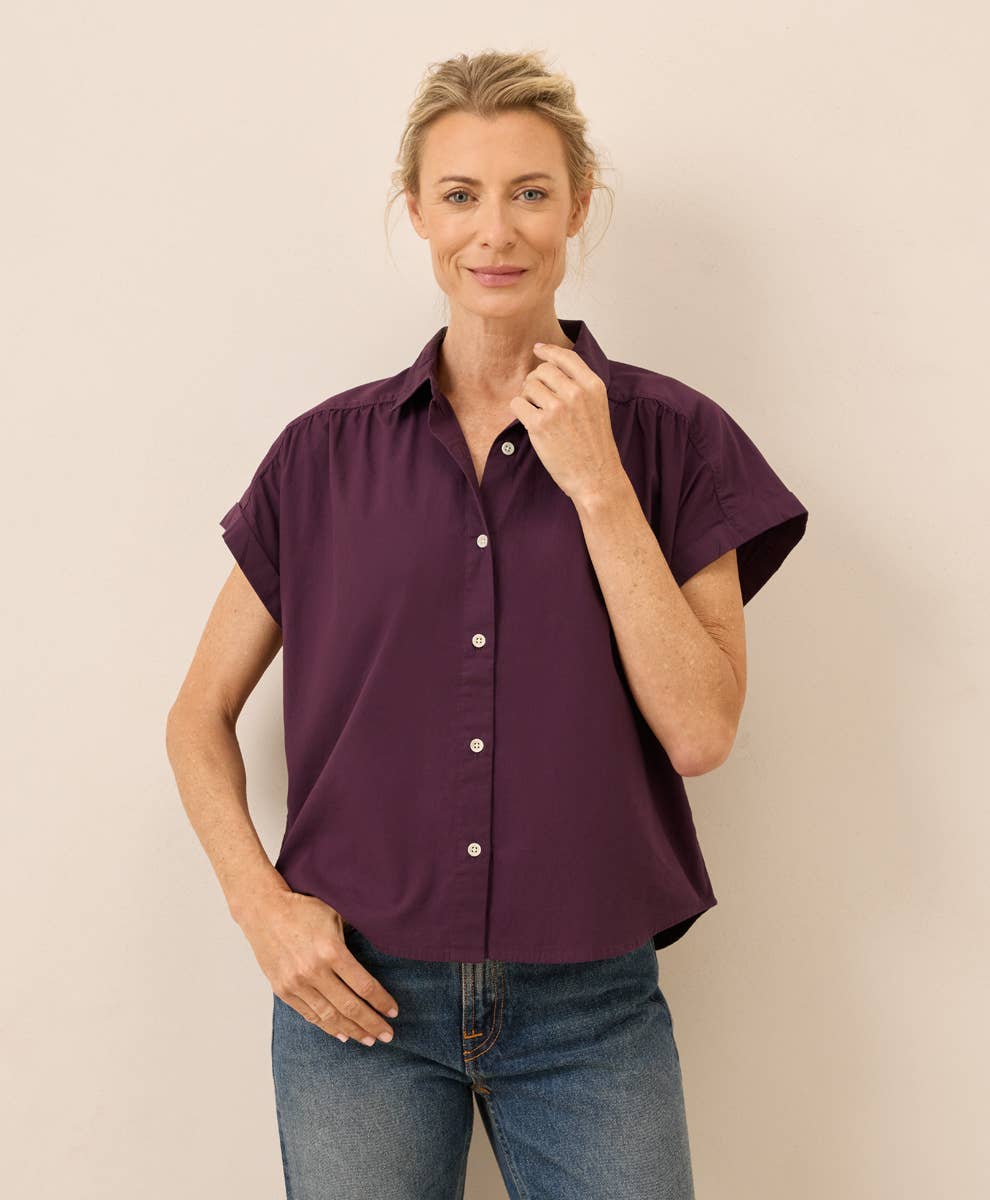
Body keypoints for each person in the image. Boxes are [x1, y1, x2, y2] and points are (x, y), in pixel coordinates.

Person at [166, 48, 809, 1200]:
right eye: (460, 194)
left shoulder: (673, 439)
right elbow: (197, 716)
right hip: (354, 995)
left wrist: (599, 487)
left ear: (578, 206)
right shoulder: (321, 458)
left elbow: (701, 731)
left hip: (592, 1009)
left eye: (530, 192)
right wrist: (262, 908)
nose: (495, 232)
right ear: (416, 210)